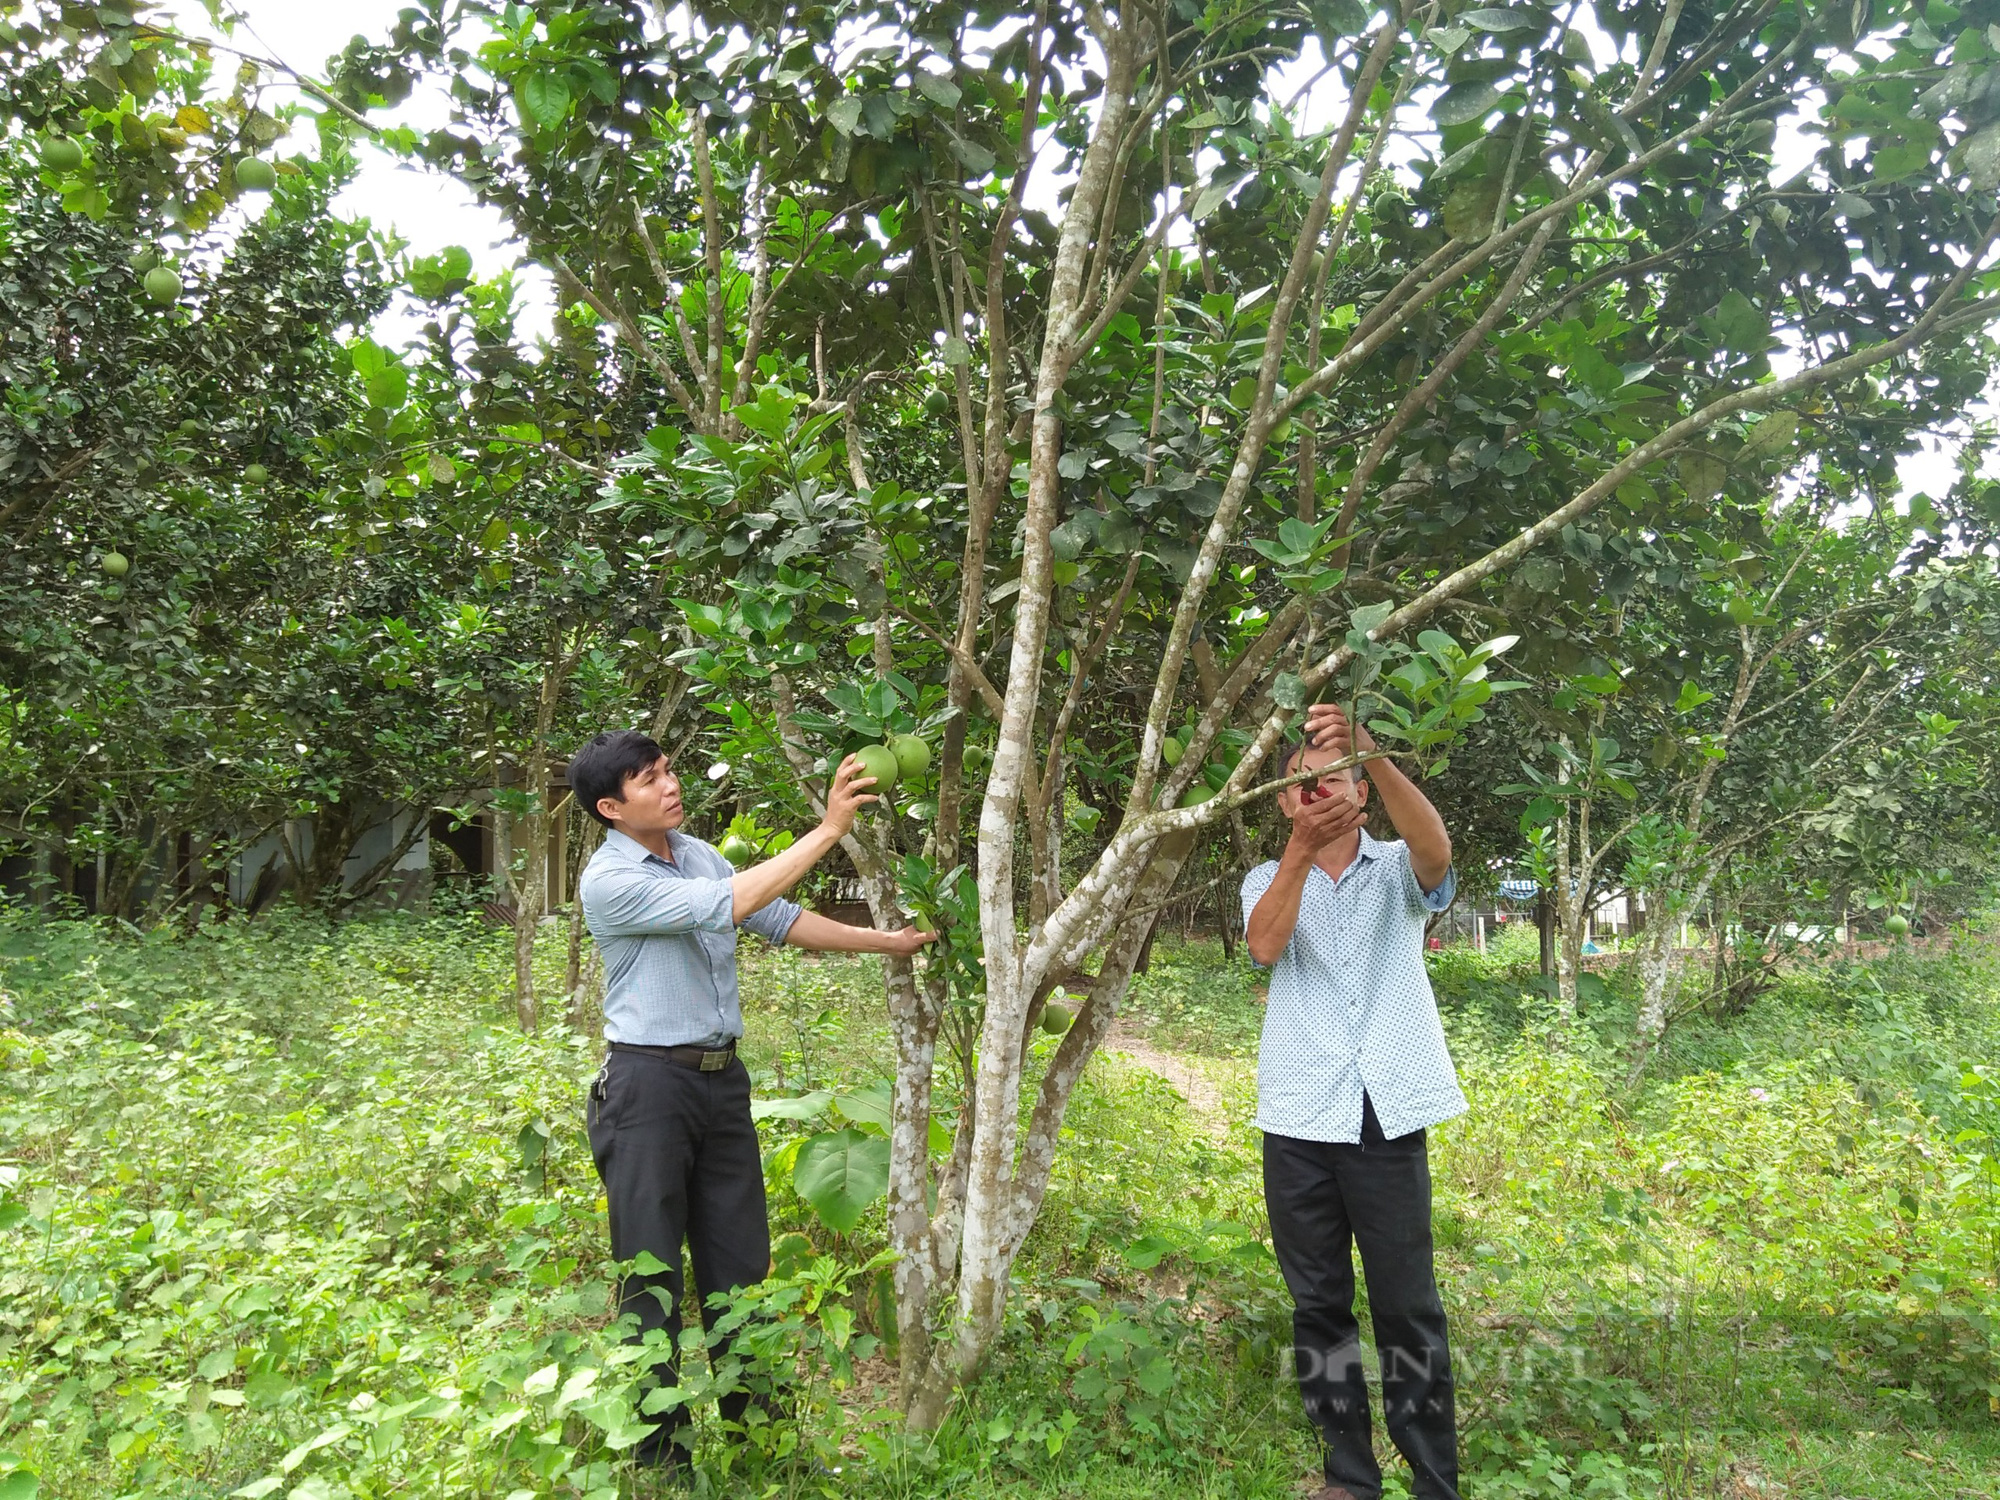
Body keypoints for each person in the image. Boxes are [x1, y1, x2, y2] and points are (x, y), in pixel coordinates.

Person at [567, 729, 936, 1471]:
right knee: (650, 1272)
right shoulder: (609, 879)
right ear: (611, 807)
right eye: (648, 780)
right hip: (646, 1088)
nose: (670, 786)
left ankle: (756, 1436)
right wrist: (830, 830)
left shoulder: (697, 853)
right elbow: (732, 901)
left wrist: (888, 944)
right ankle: (661, 1457)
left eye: (668, 770)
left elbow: (777, 917)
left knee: (740, 1263)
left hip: (719, 1083)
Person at [1241, 702, 1464, 1500]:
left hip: (1385, 1112)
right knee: (1319, 1302)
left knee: (1407, 1305)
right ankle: (1350, 1472)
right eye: (1302, 786)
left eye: (1334, 781)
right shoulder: (1265, 879)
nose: (1317, 794)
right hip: (1299, 1114)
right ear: (1281, 802)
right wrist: (1300, 854)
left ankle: (1435, 1478)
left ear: (1361, 795)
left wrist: (1368, 750)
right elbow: (1265, 946)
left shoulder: (1398, 870)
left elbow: (1436, 851)